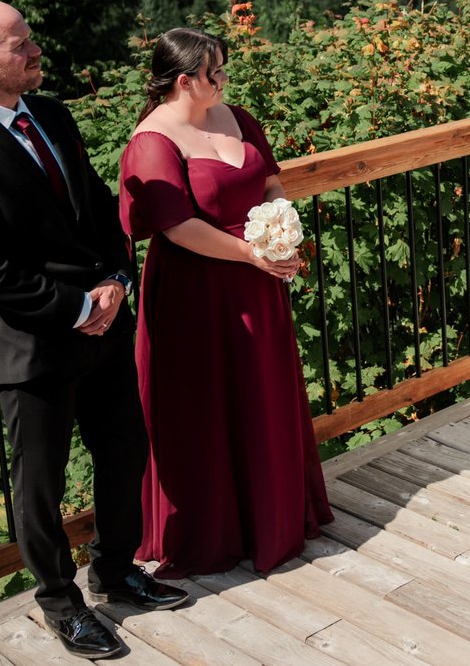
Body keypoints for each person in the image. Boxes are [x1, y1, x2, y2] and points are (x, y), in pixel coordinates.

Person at [0, 1, 187, 662]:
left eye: (30, 38)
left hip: (105, 326)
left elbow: (99, 208)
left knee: (125, 451)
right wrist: (78, 307)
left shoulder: (52, 115)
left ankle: (116, 571)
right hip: (34, 346)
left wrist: (117, 279)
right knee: (39, 486)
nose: (36, 50)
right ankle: (62, 605)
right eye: (20, 45)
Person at [117, 28, 332, 578]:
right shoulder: (152, 140)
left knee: (262, 393)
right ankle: (212, 533)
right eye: (214, 72)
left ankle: (271, 518)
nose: (223, 79)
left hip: (258, 278)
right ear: (184, 81)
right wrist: (250, 253)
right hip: (196, 290)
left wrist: (279, 228)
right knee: (206, 405)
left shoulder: (238, 117)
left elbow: (271, 182)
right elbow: (176, 226)